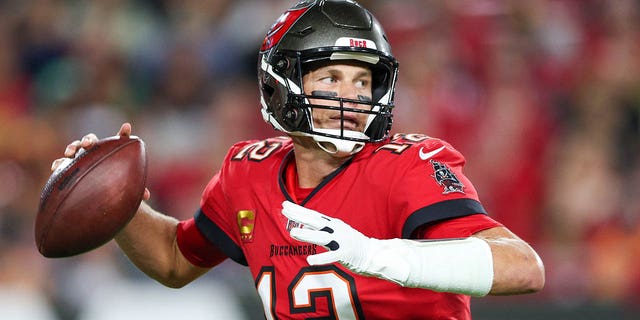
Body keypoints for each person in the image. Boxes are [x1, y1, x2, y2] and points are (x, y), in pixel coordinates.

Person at [52, 0, 544, 319]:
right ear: (281, 84)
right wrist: (111, 201)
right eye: (330, 78)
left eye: (362, 80)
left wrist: (381, 257)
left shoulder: (409, 164)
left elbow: (524, 268)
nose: (352, 96)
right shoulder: (248, 172)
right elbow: (176, 261)